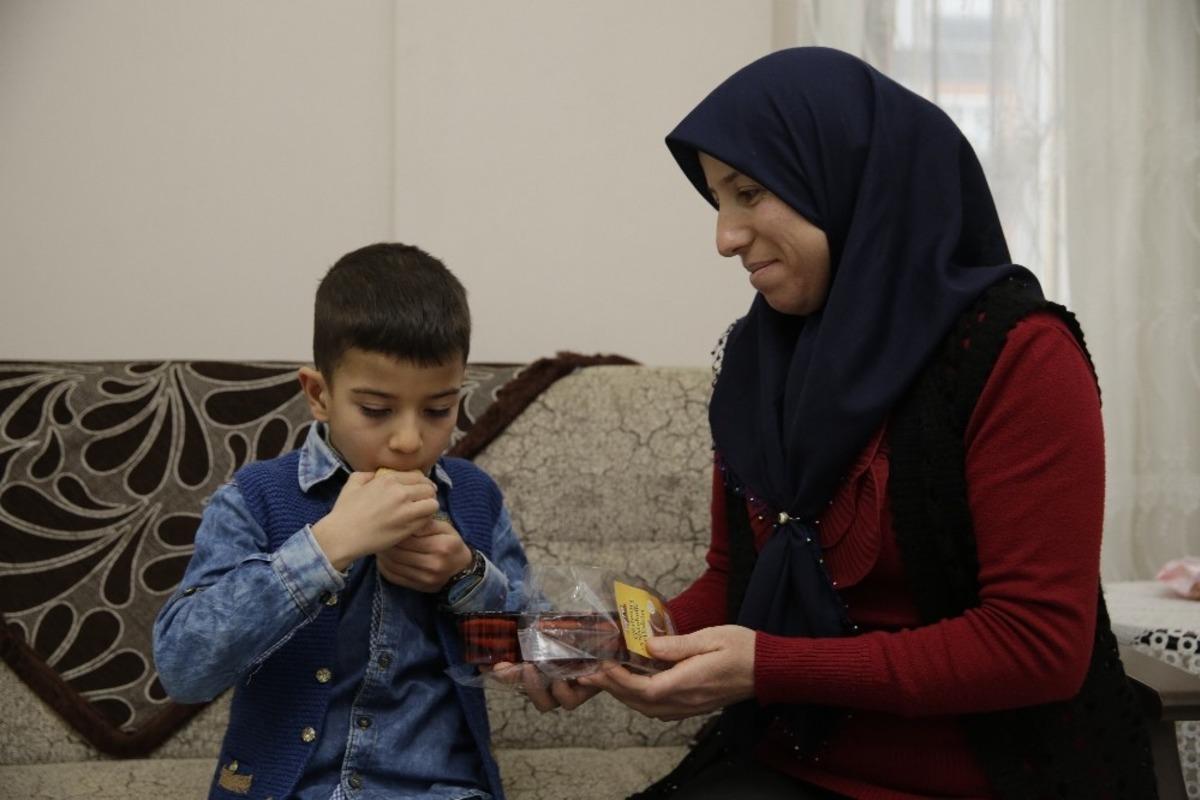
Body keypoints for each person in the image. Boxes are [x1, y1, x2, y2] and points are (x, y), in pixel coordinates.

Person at [577, 47, 1157, 799]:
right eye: (717, 199)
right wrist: (615, 644)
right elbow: (735, 579)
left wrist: (768, 667)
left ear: (847, 180)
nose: (723, 235)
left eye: (749, 192)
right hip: (791, 761)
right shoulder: (761, 358)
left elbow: (1036, 644)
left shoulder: (1017, 354)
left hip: (989, 777)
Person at [153, 242, 529, 800]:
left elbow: (526, 655)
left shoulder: (473, 499)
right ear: (319, 394)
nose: (408, 440)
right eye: (375, 410)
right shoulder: (255, 499)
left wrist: (466, 576)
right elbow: (184, 670)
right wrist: (326, 547)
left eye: (438, 410)